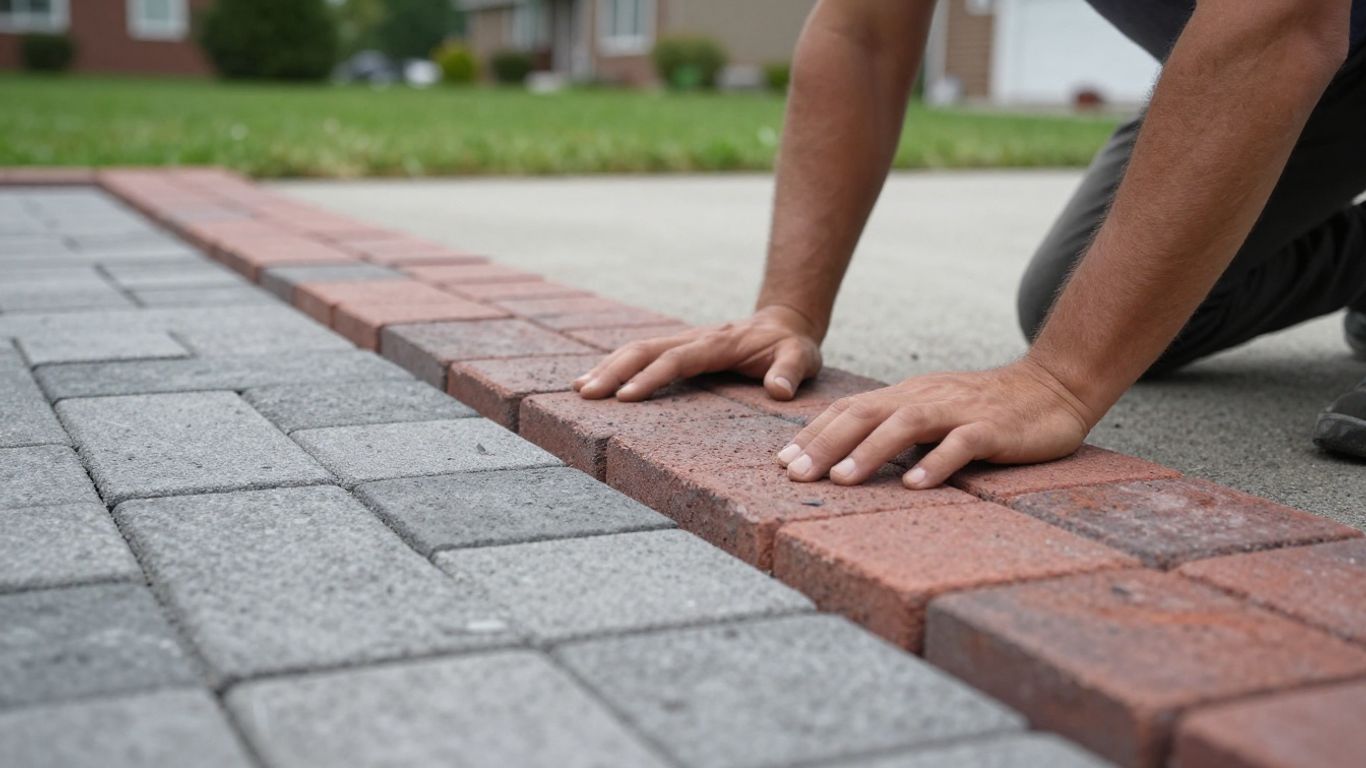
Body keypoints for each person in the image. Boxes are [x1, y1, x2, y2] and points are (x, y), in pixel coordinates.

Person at [574, 0, 1366, 489]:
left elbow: (1283, 15)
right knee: (1109, 300)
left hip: (1297, 28)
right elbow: (863, 32)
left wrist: (1062, 381)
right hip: (1317, 69)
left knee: (1091, 341)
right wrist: (787, 307)